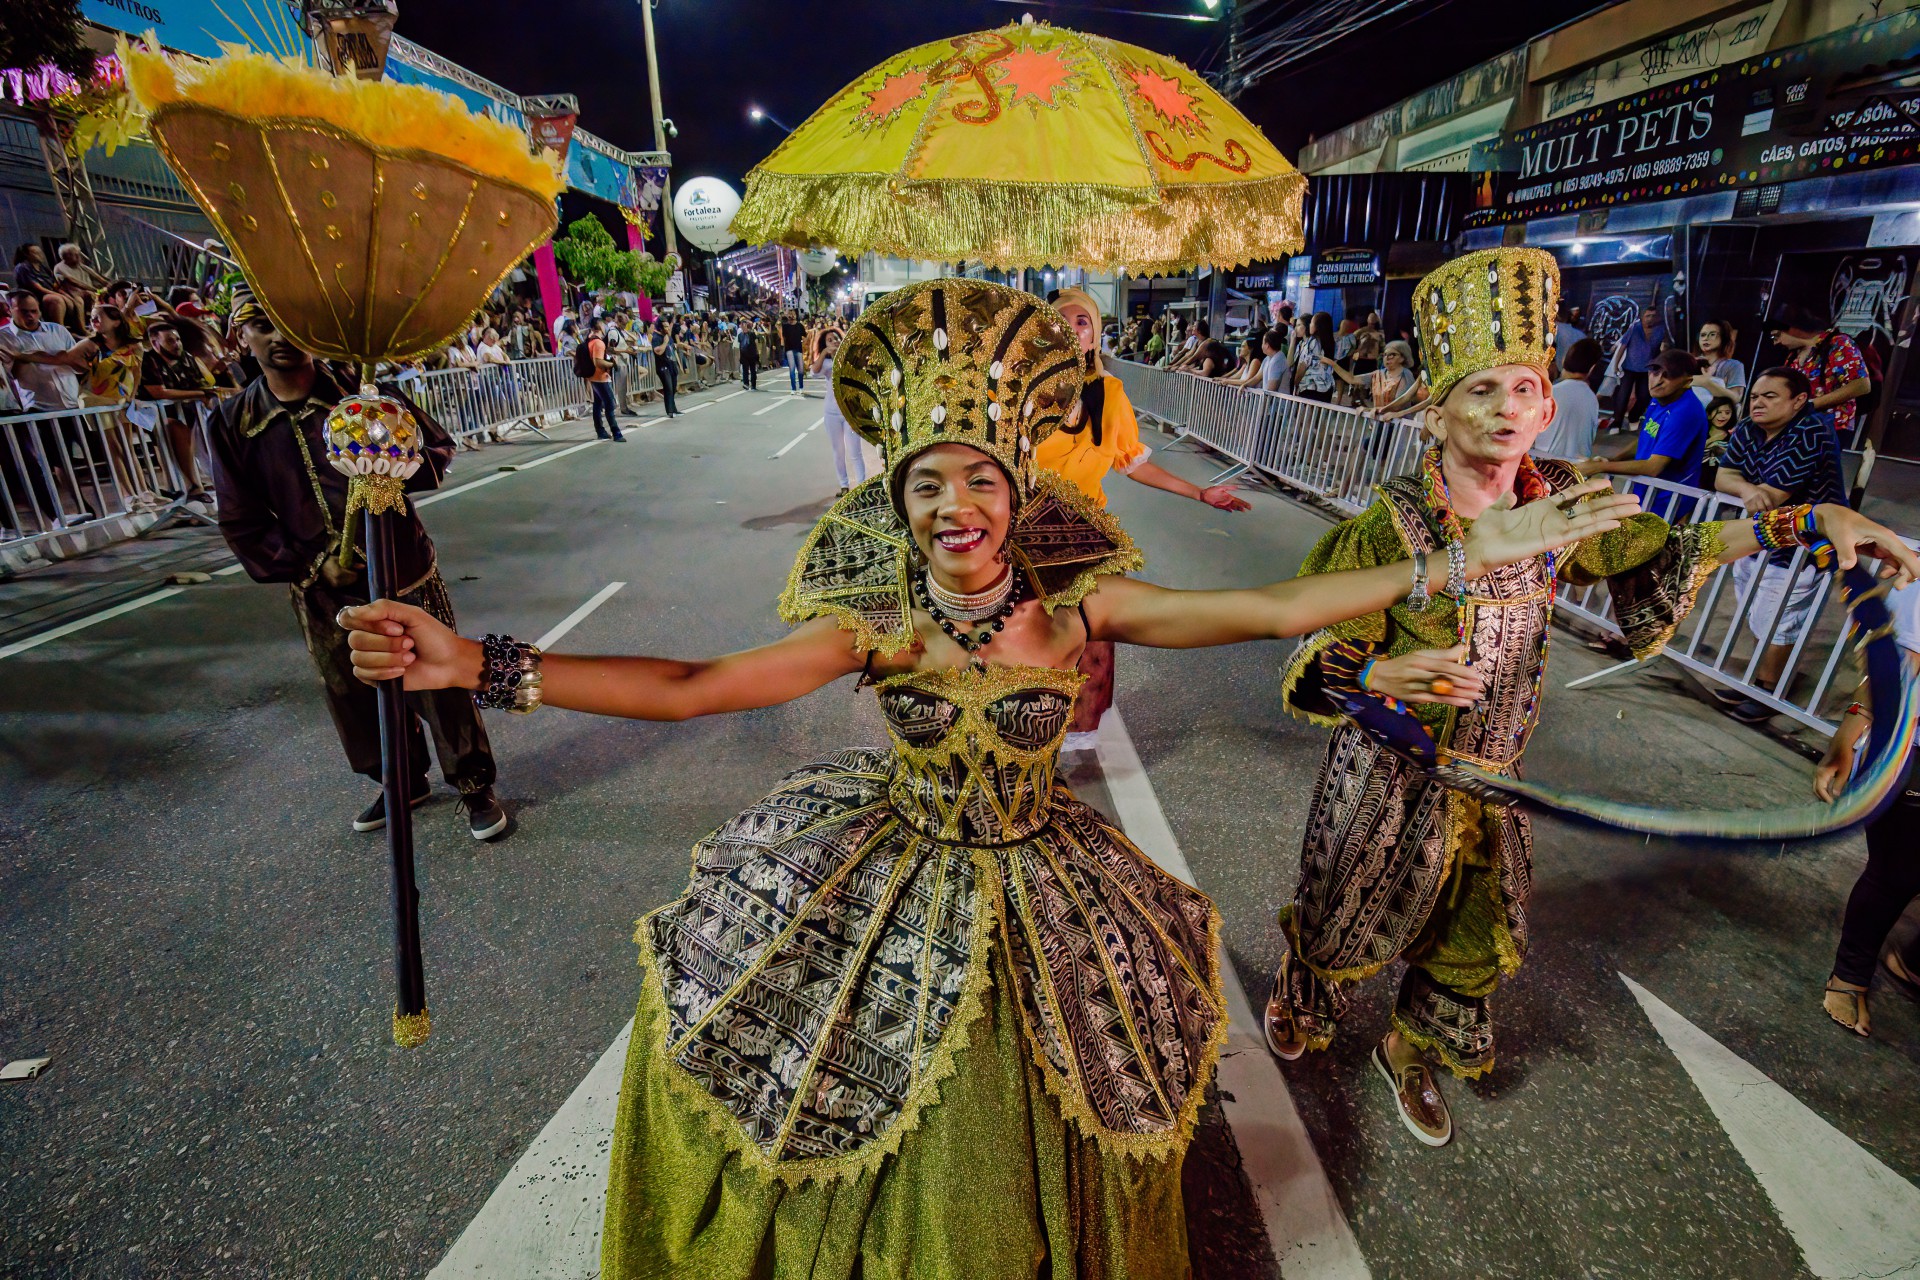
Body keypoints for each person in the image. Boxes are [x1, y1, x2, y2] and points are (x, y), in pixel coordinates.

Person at [338, 277, 1644, 1277]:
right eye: (928, 486)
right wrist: (477, 665)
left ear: (1015, 495)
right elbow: (690, 688)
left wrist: (1457, 564)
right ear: (900, 506)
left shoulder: (1083, 611)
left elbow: (1275, 604)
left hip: (1049, 881)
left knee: (1074, 1106)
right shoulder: (880, 625)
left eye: (981, 480)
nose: (957, 507)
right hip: (891, 875)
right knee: (883, 1132)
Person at [1262, 248, 1919, 1149]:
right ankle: (1310, 992)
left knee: (1466, 937)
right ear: (1438, 406)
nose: (1506, 409)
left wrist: (1807, 521)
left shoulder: (1564, 505)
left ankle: (1409, 1052)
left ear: (1546, 404)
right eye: (1481, 388)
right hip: (1386, 776)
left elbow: (1670, 546)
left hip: (1495, 782)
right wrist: (1375, 675)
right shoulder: (1392, 526)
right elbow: (1314, 644)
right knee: (1345, 911)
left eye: (1524, 388)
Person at [208, 290, 507, 840]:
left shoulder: (366, 395)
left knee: (437, 679)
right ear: (241, 337)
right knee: (351, 690)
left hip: (402, 570)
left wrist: (391, 465)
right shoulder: (231, 422)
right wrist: (313, 564)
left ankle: (473, 783)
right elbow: (240, 516)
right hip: (318, 585)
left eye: (291, 325)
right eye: (263, 327)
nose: (279, 339)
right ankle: (397, 780)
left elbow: (436, 450)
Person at [1036, 285, 1254, 749]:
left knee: (1094, 629)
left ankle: (1079, 727)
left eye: (1083, 322)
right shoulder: (1021, 391)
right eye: (1063, 319)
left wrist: (1199, 492)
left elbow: (1134, 464)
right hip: (1021, 530)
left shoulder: (1109, 393)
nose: (1073, 329)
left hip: (1083, 532)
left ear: (1094, 337)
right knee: (1022, 629)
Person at [1813, 542, 1920, 1037]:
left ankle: (1912, 958)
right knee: (1898, 871)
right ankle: (1850, 974)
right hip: (1910, 753)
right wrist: (1846, 741)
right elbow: (1892, 675)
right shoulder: (1915, 572)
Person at [1709, 366, 1849, 724]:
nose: (1758, 403)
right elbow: (1723, 477)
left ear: (1799, 400)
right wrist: (1746, 489)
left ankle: (1769, 690)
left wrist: (1753, 490)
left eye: (1770, 396)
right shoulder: (1747, 428)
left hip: (1803, 546)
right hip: (1760, 535)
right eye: (1755, 396)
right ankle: (1758, 680)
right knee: (1757, 613)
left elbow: (1773, 495)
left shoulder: (1811, 430)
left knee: (1780, 618)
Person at [1582, 348, 1709, 520]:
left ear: (1687, 381)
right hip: (1647, 494)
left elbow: (1653, 467)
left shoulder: (1685, 412)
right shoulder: (1658, 399)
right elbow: (1646, 439)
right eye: (1655, 371)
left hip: (1669, 503)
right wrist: (1613, 459)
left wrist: (1600, 467)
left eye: (1669, 375)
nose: (1657, 380)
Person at [139, 321, 219, 506]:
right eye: (170, 341)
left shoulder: (187, 358)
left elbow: (202, 384)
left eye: (177, 339)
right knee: (174, 429)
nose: (177, 344)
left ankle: (200, 486)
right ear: (155, 343)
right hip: (157, 417)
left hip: (191, 414)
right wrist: (199, 394)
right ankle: (191, 487)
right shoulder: (148, 360)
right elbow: (158, 392)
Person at [1769, 304, 1872, 446]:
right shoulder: (1793, 357)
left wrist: (1811, 404)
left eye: (1777, 335)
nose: (1776, 342)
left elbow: (1862, 385)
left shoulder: (1838, 343)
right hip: (1797, 431)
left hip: (1830, 430)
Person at [807, 326, 864, 493]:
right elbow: (813, 371)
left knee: (855, 451)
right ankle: (844, 485)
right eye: (829, 340)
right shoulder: (825, 364)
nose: (833, 342)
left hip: (850, 412)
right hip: (831, 412)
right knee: (838, 451)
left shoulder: (848, 359)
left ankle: (861, 487)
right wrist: (824, 352)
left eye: (835, 339)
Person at [1533, 336, 1602, 461]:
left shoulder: (1550, 392)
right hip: (1576, 472)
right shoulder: (1592, 399)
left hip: (1542, 468)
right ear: (1593, 368)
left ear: (1564, 358)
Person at [1610, 305, 1667, 428]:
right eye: (1648, 316)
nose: (1650, 319)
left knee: (1645, 396)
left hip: (1647, 369)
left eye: (1653, 316)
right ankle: (1617, 422)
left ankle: (1634, 416)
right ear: (1642, 317)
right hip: (1629, 367)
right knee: (1623, 395)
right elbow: (1622, 347)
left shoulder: (1660, 331)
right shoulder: (1635, 328)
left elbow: (1660, 350)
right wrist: (1616, 365)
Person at [580, 320, 625, 440]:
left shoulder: (590, 340)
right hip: (600, 378)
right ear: (599, 326)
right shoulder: (598, 343)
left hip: (594, 377)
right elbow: (598, 361)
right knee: (610, 405)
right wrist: (611, 364)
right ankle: (616, 433)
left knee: (598, 404)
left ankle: (600, 431)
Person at [11, 245, 72, 330]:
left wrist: (66, 295)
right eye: (36, 252)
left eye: (40, 252)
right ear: (27, 255)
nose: (40, 254)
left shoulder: (43, 268)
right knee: (55, 299)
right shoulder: (23, 267)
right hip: (36, 297)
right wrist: (61, 296)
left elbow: (54, 284)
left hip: (51, 293)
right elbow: (38, 288)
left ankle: (79, 329)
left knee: (76, 298)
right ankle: (60, 330)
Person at [1693, 318, 1746, 407]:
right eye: (1703, 335)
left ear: (1723, 337)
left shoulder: (1733, 365)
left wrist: (1706, 383)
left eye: (1712, 334)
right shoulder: (1690, 362)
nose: (1706, 338)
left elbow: (1736, 397)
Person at [1294, 312, 1338, 403]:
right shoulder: (1331, 343)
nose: (1309, 325)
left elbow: (1302, 366)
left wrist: (1295, 383)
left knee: (1305, 417)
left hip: (1310, 387)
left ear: (1318, 326)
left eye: (1312, 323)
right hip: (1326, 388)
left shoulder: (1311, 342)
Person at [648, 319, 679, 418]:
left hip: (671, 363)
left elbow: (673, 350)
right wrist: (665, 342)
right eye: (665, 326)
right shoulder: (656, 338)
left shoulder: (668, 337)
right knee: (668, 387)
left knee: (673, 388)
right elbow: (658, 351)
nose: (668, 328)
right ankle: (669, 411)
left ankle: (674, 408)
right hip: (662, 365)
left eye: (668, 326)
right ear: (660, 328)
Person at [779, 309, 806, 390]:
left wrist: (803, 342)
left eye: (793, 314)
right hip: (789, 349)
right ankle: (793, 388)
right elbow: (783, 337)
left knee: (801, 370)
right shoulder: (785, 326)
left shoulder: (800, 325)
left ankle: (801, 387)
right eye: (790, 314)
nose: (792, 316)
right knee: (792, 369)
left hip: (798, 348)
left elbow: (804, 335)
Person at [736, 315, 759, 390]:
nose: (742, 327)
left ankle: (753, 384)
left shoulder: (752, 334)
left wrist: (757, 352)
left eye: (744, 325)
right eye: (741, 325)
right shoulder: (740, 335)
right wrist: (739, 355)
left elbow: (756, 343)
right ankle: (746, 383)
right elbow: (740, 345)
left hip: (752, 353)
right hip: (743, 354)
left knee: (753, 369)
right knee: (745, 369)